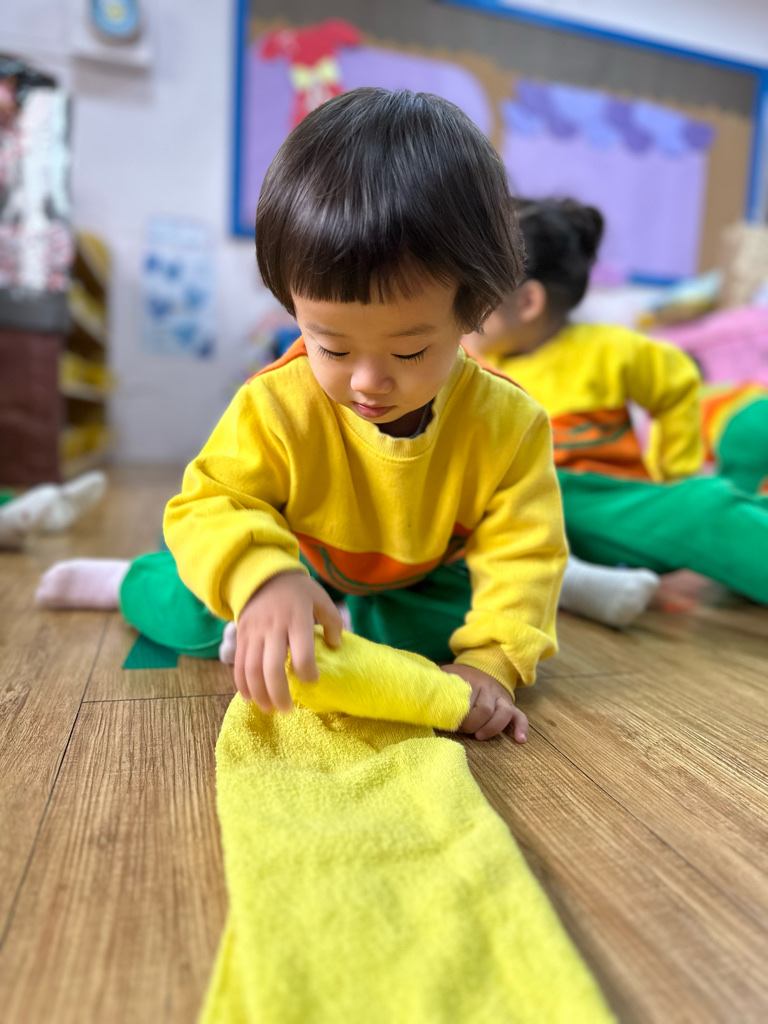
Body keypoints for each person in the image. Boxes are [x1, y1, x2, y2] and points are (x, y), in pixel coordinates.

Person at [159, 87, 574, 743]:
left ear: (474, 311)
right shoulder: (276, 401)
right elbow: (212, 501)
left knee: (437, 639)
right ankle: (125, 579)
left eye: (409, 351)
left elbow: (526, 552)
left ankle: (353, 624)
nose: (368, 382)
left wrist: (491, 662)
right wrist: (262, 579)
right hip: (295, 565)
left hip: (417, 580)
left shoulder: (509, 423)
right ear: (293, 307)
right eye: (332, 347)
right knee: (188, 609)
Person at [466, 198, 768, 604]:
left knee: (713, 491)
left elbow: (677, 385)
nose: (456, 309)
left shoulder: (609, 349)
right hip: (534, 514)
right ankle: (564, 577)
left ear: (527, 303)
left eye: (471, 294)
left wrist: (675, 473)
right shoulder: (468, 364)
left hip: (608, 499)